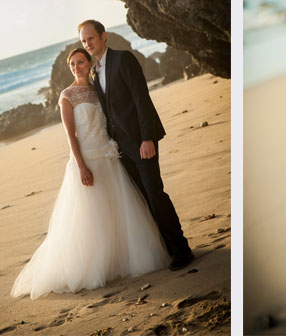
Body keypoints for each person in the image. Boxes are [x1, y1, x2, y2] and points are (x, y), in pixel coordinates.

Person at [11, 48, 170, 299]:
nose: (76, 67)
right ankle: (95, 265)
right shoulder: (67, 96)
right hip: (87, 161)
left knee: (117, 210)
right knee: (92, 216)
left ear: (88, 64)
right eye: (72, 64)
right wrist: (81, 165)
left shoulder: (98, 90)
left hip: (108, 156)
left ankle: (121, 260)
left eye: (80, 62)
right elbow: (70, 136)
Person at [78, 20, 193, 271]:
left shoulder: (123, 59)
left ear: (103, 36)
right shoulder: (95, 71)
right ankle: (166, 249)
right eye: (84, 41)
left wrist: (147, 138)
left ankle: (182, 248)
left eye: (91, 38)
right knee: (141, 199)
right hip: (119, 148)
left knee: (155, 195)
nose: (88, 44)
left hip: (141, 141)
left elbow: (142, 100)